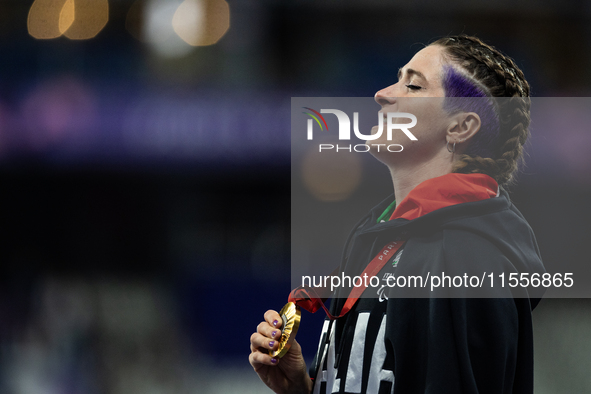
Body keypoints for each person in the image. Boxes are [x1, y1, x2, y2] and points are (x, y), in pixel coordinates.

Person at [249, 35, 545, 394]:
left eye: (414, 85)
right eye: (398, 78)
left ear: (460, 127)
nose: (383, 94)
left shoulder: (465, 254)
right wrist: (306, 389)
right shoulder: (384, 237)